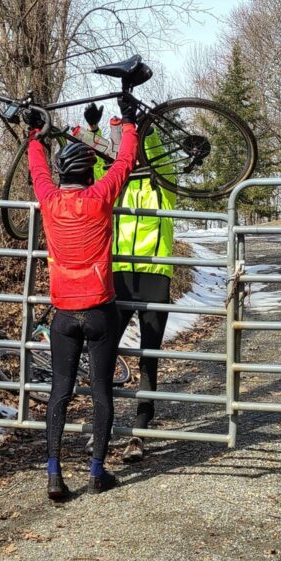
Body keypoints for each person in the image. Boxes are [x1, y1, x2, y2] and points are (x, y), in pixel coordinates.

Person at [26, 97, 139, 500]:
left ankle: (54, 475)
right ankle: (96, 472)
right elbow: (124, 163)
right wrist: (128, 124)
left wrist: (34, 134)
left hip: (63, 314)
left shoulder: (50, 200)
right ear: (90, 173)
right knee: (102, 393)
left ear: (62, 175)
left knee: (60, 392)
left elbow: (37, 167)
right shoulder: (99, 198)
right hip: (99, 311)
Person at [78, 103, 175, 462]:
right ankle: (100, 425)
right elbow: (101, 158)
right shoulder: (116, 183)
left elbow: (161, 158)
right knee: (103, 353)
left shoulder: (163, 183)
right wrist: (94, 127)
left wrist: (142, 125)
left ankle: (140, 433)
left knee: (149, 357)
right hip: (117, 275)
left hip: (154, 275)